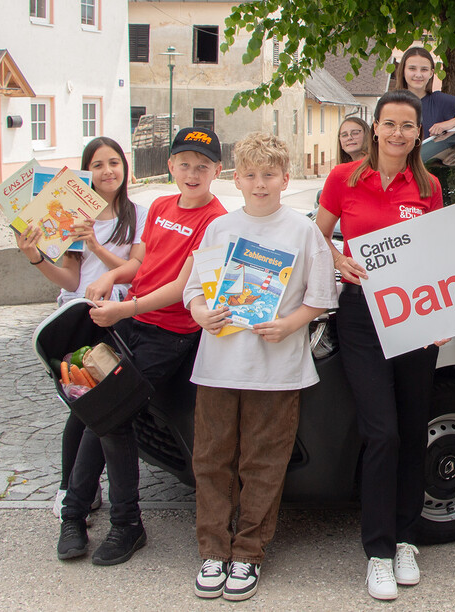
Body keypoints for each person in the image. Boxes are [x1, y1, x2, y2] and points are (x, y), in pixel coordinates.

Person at [59, 127, 226, 566]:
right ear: (170, 166)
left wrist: (125, 309)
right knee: (98, 407)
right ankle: (90, 517)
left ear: (217, 172)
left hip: (169, 335)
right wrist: (111, 276)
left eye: (202, 166)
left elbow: (181, 288)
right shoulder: (163, 206)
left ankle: (108, 521)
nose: (193, 173)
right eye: (184, 163)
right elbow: (142, 264)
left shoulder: (216, 221)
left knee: (109, 412)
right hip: (132, 321)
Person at [184, 132, 336, 601]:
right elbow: (193, 289)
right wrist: (200, 313)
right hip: (219, 365)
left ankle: (248, 552)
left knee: (263, 463)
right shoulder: (220, 229)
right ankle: (213, 549)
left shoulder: (303, 230)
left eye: (269, 175)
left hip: (276, 369)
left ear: (286, 179)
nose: (260, 183)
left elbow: (322, 297)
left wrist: (290, 323)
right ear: (236, 180)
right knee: (211, 459)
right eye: (250, 175)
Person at [315, 89, 444, 601]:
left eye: (406, 126)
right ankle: (377, 551)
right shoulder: (342, 179)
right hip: (361, 317)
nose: (396, 133)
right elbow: (315, 237)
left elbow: (438, 255)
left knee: (413, 430)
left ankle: (407, 538)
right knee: (382, 433)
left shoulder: (429, 185)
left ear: (417, 132)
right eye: (388, 124)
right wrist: (337, 258)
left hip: (415, 318)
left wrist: (447, 312)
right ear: (375, 128)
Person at [15, 137, 148, 521]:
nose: (107, 171)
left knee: (102, 405)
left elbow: (137, 267)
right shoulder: (73, 214)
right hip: (81, 318)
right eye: (97, 164)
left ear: (125, 168)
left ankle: (77, 489)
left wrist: (96, 243)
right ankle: (71, 489)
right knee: (81, 403)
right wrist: (35, 256)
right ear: (85, 172)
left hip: (122, 316)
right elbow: (71, 279)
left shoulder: (139, 213)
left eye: (114, 163)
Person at [395, 46, 455, 139]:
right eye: (412, 68)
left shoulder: (439, 100)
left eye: (424, 69)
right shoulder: (390, 103)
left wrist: (451, 123)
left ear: (431, 73)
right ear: (403, 71)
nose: (418, 74)